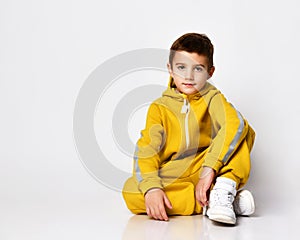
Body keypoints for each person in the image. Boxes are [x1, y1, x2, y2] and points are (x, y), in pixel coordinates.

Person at [122, 33, 256, 225]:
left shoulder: (212, 97)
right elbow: (146, 150)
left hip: (208, 165)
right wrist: (152, 189)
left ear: (210, 72)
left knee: (242, 130)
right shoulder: (159, 108)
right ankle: (211, 203)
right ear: (170, 68)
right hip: (176, 172)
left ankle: (224, 188)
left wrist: (210, 168)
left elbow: (235, 124)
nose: (189, 76)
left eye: (198, 69)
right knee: (131, 191)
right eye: (181, 67)